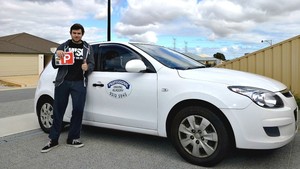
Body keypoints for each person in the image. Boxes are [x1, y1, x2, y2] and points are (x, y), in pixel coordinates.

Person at [41, 23, 95, 153]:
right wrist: (56, 55)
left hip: (79, 83)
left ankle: (73, 138)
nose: (76, 35)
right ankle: (53, 140)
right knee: (58, 110)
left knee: (78, 110)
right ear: (70, 33)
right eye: (74, 33)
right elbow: (54, 64)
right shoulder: (63, 46)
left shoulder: (87, 48)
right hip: (63, 82)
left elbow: (92, 63)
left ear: (82, 34)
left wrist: (88, 67)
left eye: (79, 33)